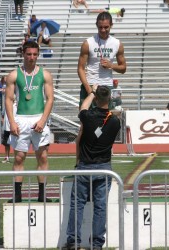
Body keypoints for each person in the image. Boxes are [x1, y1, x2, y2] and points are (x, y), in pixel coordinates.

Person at [66, 85, 121, 250]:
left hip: (84, 166)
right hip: (104, 167)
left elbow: (83, 107)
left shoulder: (88, 116)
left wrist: (91, 92)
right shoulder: (115, 121)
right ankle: (97, 243)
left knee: (77, 204)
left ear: (96, 99)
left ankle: (73, 241)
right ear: (109, 99)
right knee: (100, 206)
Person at [5, 40, 54, 203]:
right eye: (28, 54)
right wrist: (12, 122)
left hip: (39, 118)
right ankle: (17, 195)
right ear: (23, 54)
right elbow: (9, 100)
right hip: (21, 119)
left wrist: (43, 120)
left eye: (34, 54)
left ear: (38, 55)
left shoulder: (45, 74)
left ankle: (41, 195)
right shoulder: (14, 75)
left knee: (43, 157)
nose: (32, 57)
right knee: (19, 157)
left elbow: (50, 98)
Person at [78, 11, 126, 108]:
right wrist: (88, 89)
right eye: (100, 27)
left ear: (111, 25)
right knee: (86, 119)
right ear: (96, 25)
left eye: (106, 27)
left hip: (107, 86)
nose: (103, 30)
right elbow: (80, 68)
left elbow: (123, 68)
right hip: (91, 84)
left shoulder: (117, 43)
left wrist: (111, 66)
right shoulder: (88, 43)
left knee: (107, 120)